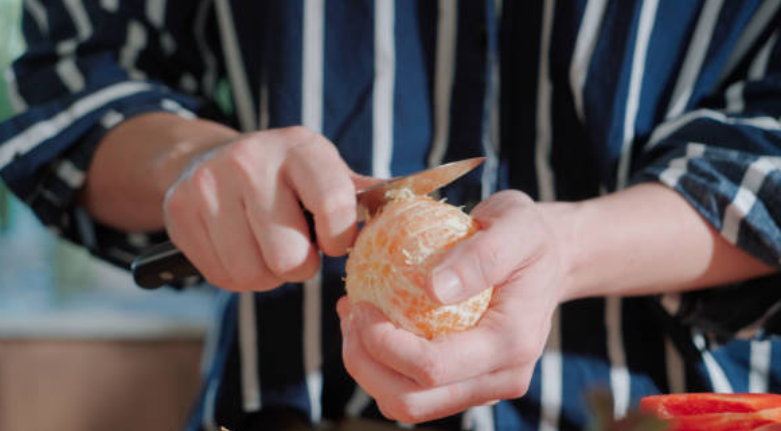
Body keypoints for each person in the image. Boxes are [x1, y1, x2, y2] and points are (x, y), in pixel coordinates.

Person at [1, 0, 780, 430]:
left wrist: (570, 248)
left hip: (660, 409)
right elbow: (76, 73)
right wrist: (192, 162)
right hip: (291, 408)